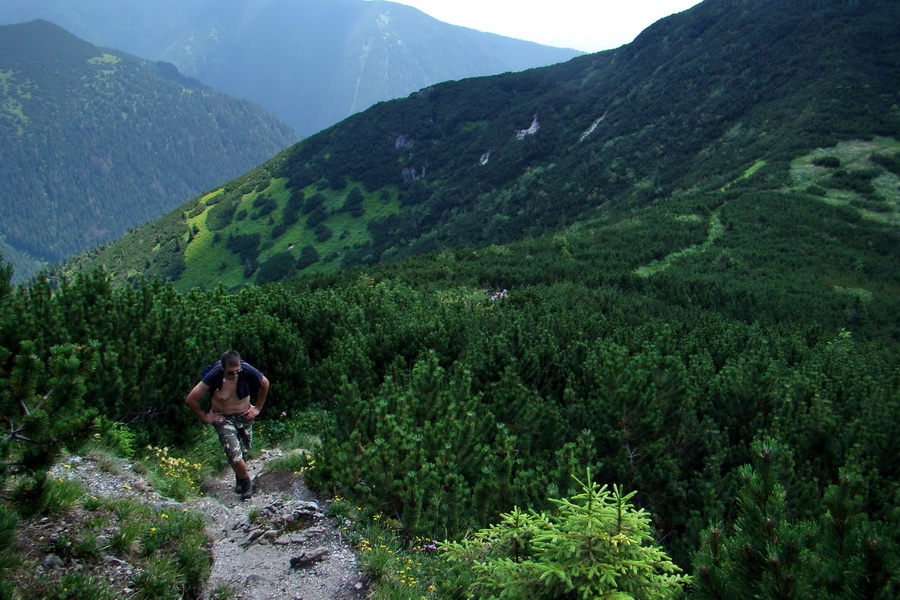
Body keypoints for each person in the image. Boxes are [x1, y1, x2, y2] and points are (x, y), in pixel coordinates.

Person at [184, 350, 270, 500]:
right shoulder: (214, 376)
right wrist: (205, 416)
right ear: (223, 369)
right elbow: (191, 399)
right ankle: (246, 482)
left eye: (237, 371)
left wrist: (257, 408)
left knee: (245, 450)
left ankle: (239, 476)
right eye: (231, 373)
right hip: (223, 417)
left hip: (244, 415)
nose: (235, 375)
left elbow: (264, 383)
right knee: (234, 453)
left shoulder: (247, 370)